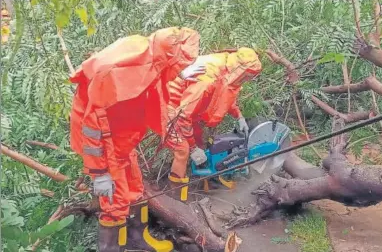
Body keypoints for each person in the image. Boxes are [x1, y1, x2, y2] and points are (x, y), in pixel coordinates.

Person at [69, 27, 205, 252]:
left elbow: (152, 88)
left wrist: (180, 76)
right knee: (115, 199)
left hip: (122, 140)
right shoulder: (116, 71)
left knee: (136, 188)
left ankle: (136, 240)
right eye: (179, 65)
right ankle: (111, 248)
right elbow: (91, 126)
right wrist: (99, 173)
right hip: (104, 144)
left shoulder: (152, 57)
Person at [164, 47, 262, 201]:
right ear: (239, 69)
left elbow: (226, 96)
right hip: (169, 107)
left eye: (250, 77)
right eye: (246, 76)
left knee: (201, 143)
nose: (246, 80)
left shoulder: (226, 71)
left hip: (187, 110)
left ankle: (207, 181)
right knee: (183, 149)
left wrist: (239, 116)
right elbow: (182, 115)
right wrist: (193, 149)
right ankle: (174, 198)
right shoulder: (208, 79)